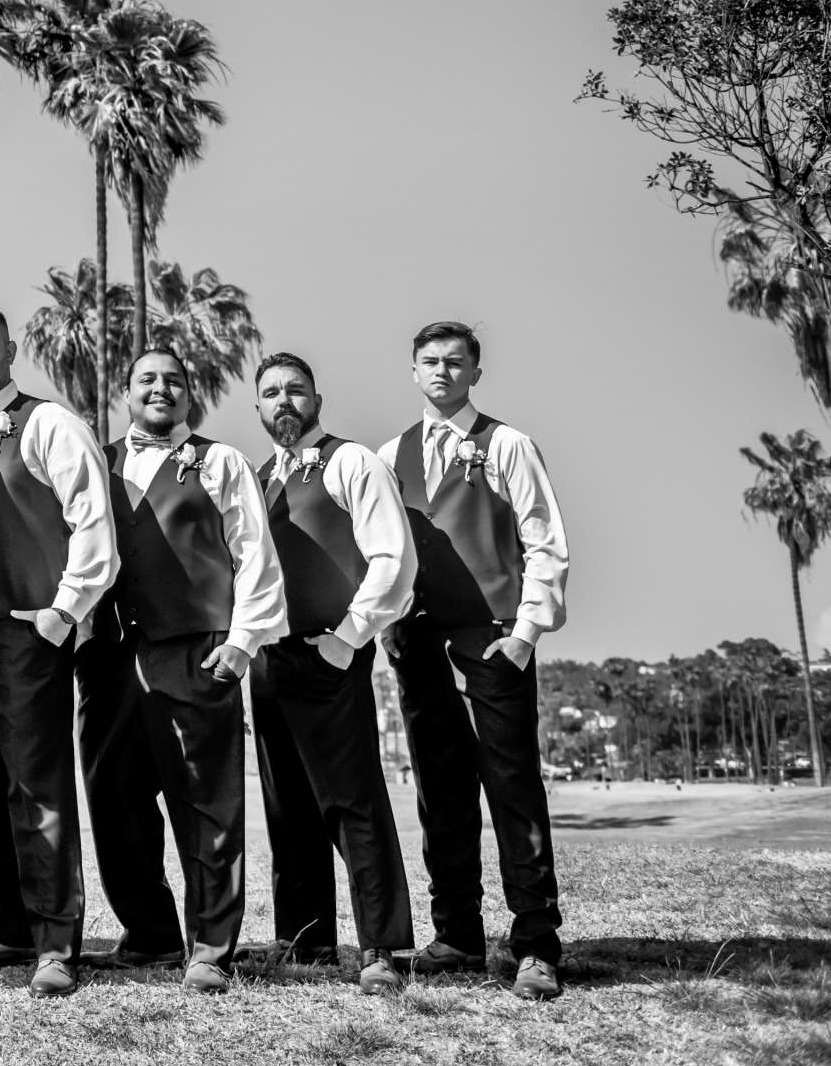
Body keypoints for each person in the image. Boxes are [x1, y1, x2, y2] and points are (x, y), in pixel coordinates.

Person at [376, 321, 571, 1003]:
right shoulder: (386, 455)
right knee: (440, 787)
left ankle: (536, 942)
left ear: (474, 372)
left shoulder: (508, 444)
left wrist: (525, 633)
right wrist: (386, 628)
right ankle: (456, 931)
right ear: (413, 370)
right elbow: (378, 554)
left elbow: (545, 541)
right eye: (429, 361)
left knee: (513, 786)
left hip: (492, 637)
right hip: (417, 641)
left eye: (454, 362)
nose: (441, 371)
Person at [0, 302, 117, 997]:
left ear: (10, 350)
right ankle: (6, 929)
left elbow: (92, 523)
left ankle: (55, 941)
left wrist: (61, 612)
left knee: (37, 786)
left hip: (24, 632)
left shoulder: (49, 421)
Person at [96, 348, 287, 994]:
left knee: (208, 805)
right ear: (127, 391)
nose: (161, 387)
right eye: (147, 377)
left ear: (189, 395)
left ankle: (211, 947)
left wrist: (241, 641)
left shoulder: (223, 461)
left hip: (197, 650)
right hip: (113, 657)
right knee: (114, 802)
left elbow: (254, 552)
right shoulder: (99, 461)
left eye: (173, 379)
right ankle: (149, 934)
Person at [249, 351, 419, 995]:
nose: (284, 401)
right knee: (287, 806)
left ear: (316, 400)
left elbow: (392, 562)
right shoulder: (262, 475)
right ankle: (307, 943)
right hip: (269, 660)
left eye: (296, 390)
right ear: (258, 409)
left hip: (330, 655)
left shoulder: (352, 462)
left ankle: (383, 945)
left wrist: (347, 640)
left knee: (352, 802)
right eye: (271, 393)